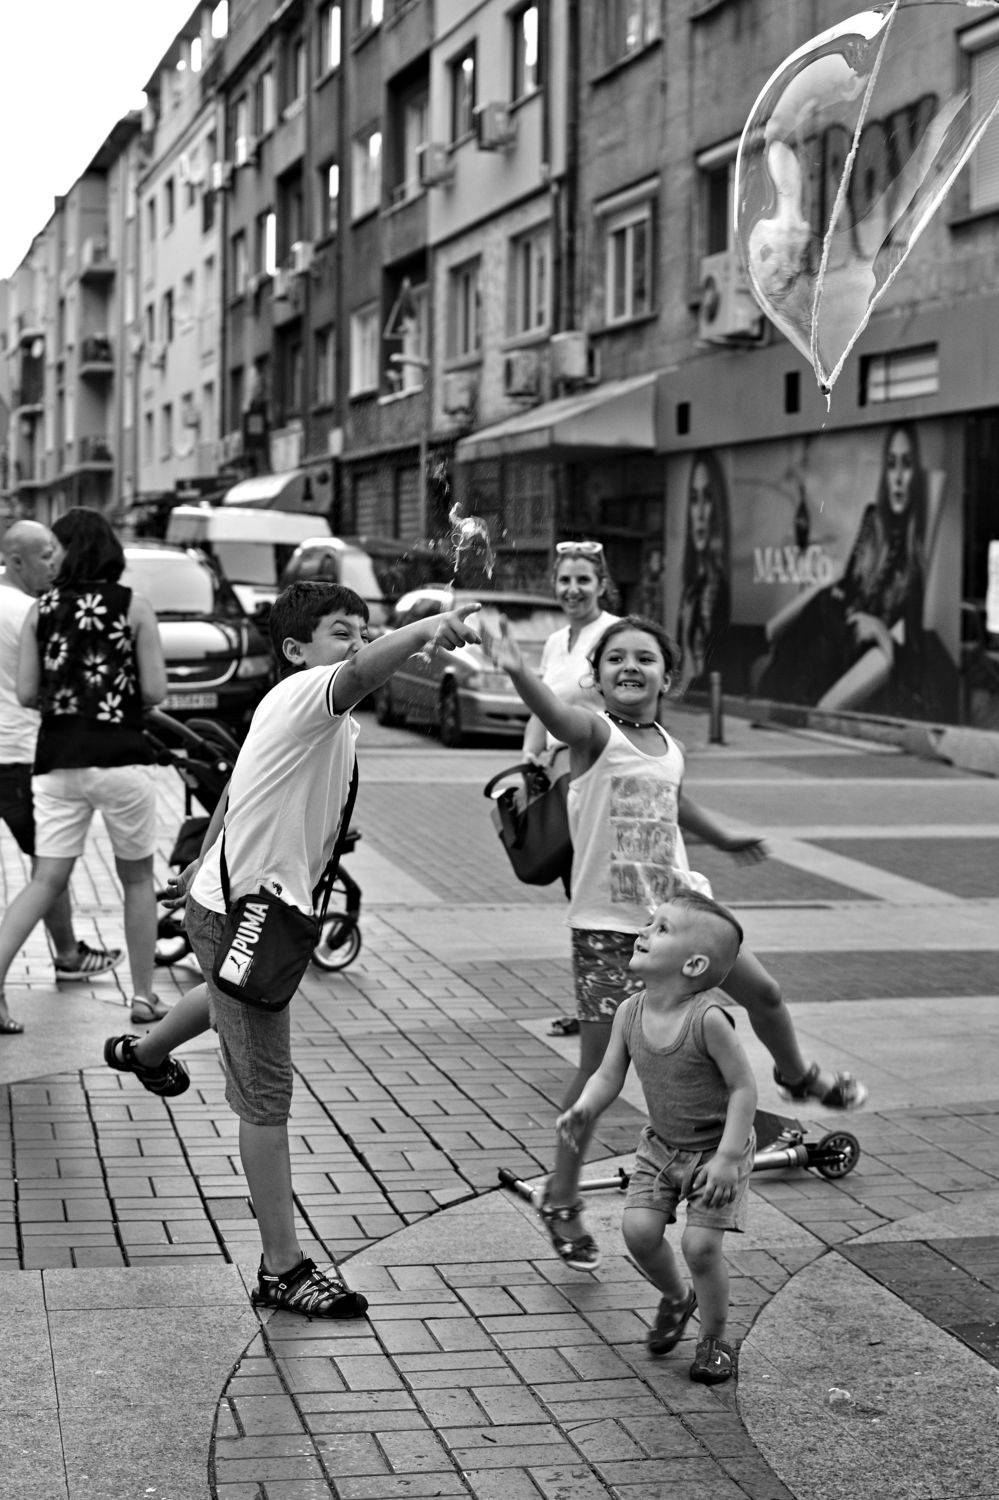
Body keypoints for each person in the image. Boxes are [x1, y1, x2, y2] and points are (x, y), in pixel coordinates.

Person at [103, 579, 483, 1319]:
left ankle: (143, 1054)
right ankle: (282, 1269)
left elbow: (240, 785)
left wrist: (199, 862)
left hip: (244, 905)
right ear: (296, 650)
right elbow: (360, 673)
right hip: (246, 913)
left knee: (228, 994)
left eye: (365, 629)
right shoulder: (311, 693)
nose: (359, 643)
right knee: (265, 1094)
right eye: (343, 630)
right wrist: (427, 627)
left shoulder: (303, 708)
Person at [488, 612, 866, 1272]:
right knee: (598, 1072)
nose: (629, 666)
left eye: (645, 657)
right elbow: (555, 713)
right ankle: (562, 1198)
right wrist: (518, 670)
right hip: (610, 932)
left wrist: (722, 837)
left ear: (669, 677)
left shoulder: (668, 744)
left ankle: (796, 1075)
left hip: (684, 914)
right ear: (596, 677)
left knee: (766, 994)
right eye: (615, 658)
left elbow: (672, 800)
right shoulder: (593, 735)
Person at [557, 892, 756, 1384]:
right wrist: (584, 1108)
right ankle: (676, 1297)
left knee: (700, 1247)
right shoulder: (629, 1011)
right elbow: (608, 1075)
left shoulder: (708, 1020)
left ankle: (715, 1339)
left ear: (693, 965)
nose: (643, 932)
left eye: (661, 928)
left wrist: (728, 1158)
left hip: (717, 1151)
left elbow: (743, 1088)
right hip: (661, 1146)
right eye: (649, 922)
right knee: (639, 1233)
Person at [0, 509, 165, 1034]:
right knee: (137, 879)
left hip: (57, 761)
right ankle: (143, 997)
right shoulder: (133, 606)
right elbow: (156, 690)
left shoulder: (41, 609)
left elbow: (28, 693)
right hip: (121, 758)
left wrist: (67, 695)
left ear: (66, 553)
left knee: (46, 879)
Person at [757, 423, 927, 713]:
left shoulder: (915, 552)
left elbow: (909, 645)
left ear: (916, 476)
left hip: (851, 640)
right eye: (891, 465)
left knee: (812, 659)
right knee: (806, 633)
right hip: (834, 614)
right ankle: (774, 690)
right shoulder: (873, 518)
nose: (898, 478)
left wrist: (878, 630)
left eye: (907, 465)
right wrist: (835, 592)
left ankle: (785, 700)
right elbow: (848, 582)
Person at [521, 540, 619, 763]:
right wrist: (529, 754)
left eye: (583, 580)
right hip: (559, 769)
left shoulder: (618, 634)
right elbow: (542, 710)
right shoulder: (554, 642)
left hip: (603, 765)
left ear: (601, 586)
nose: (573, 590)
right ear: (554, 585)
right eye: (565, 580)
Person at [676, 451, 731, 687]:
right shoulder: (691, 588)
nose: (699, 513)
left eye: (707, 498)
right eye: (693, 499)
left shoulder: (718, 586)